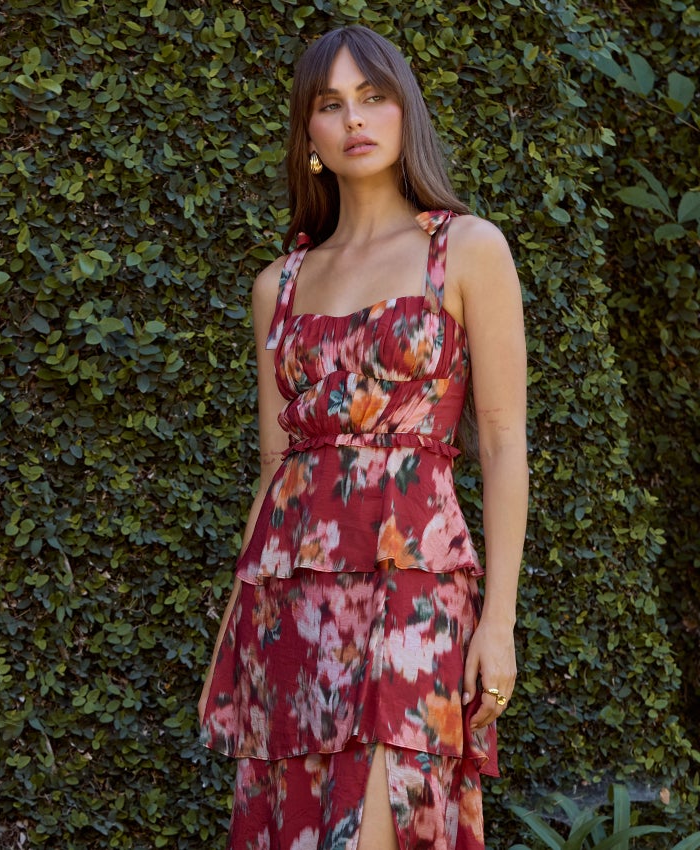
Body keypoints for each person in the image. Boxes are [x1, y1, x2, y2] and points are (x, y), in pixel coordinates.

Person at [198, 24, 529, 850]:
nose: (355, 118)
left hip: (416, 588)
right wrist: (233, 625)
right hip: (291, 601)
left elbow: (501, 439)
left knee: (391, 812)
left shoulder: (466, 250)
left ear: (404, 110)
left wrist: (499, 622)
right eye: (331, 104)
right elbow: (275, 464)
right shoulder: (279, 284)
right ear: (307, 135)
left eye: (374, 96)